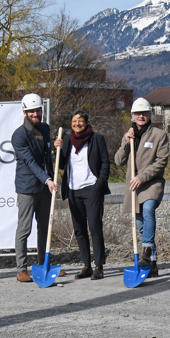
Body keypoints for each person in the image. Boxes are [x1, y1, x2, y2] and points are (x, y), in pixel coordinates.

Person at [114, 97, 169, 277]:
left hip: (151, 183)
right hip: (134, 186)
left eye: (144, 113)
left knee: (148, 209)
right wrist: (125, 142)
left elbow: (161, 162)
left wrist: (141, 177)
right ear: (132, 115)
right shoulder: (129, 135)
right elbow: (118, 161)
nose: (141, 116)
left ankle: (145, 250)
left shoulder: (159, 135)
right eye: (137, 113)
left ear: (149, 114)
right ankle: (152, 263)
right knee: (141, 225)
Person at [55, 110, 111, 281]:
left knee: (94, 227)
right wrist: (57, 149)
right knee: (79, 229)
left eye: (80, 120)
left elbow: (105, 163)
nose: (77, 123)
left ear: (87, 122)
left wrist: (99, 184)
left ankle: (99, 266)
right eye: (74, 121)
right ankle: (86, 265)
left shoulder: (97, 139)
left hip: (92, 189)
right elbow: (61, 164)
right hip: (73, 190)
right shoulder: (67, 141)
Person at [11, 93, 57, 283]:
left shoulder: (45, 129)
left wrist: (55, 147)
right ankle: (21, 269)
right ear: (25, 112)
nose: (35, 114)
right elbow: (30, 162)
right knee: (24, 228)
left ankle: (43, 264)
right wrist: (47, 179)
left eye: (38, 110)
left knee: (45, 227)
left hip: (45, 186)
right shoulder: (19, 135)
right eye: (32, 111)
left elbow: (46, 156)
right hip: (28, 187)